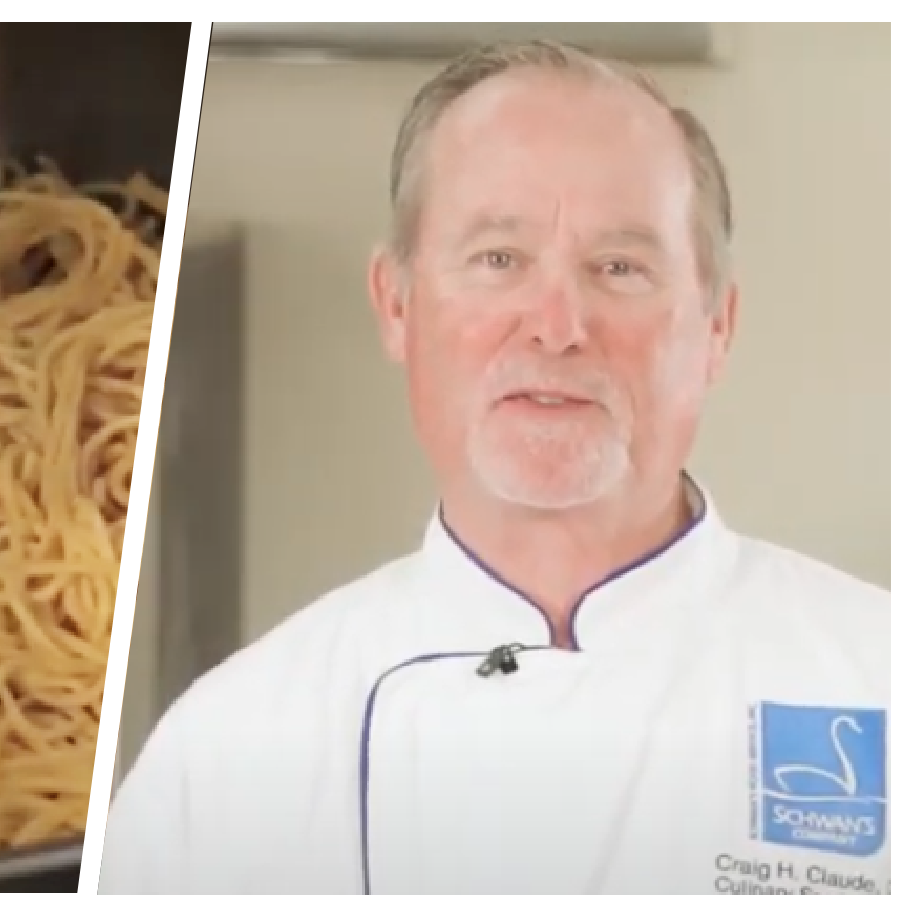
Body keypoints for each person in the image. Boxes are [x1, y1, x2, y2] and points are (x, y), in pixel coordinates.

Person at [97, 40, 889, 896]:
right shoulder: (221, 756)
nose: (556, 325)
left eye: (619, 268)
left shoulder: (880, 676)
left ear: (717, 328)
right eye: (498, 260)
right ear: (396, 305)